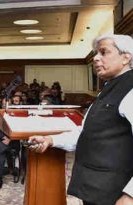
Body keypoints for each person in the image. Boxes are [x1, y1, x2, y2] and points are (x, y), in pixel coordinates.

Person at [28, 34, 133, 205]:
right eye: (95, 54)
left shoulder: (130, 89)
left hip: (117, 191)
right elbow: (87, 133)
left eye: (103, 52)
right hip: (96, 187)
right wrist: (50, 139)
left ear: (125, 57)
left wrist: (130, 196)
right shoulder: (108, 88)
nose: (96, 58)